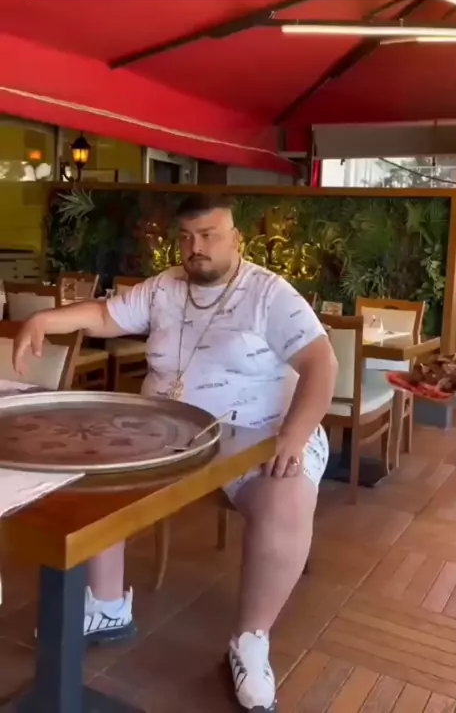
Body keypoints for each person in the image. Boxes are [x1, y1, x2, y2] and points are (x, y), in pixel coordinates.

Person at [14, 193, 338, 712]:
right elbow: (104, 315)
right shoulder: (164, 287)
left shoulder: (269, 294)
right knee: (101, 466)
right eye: (186, 238)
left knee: (287, 495)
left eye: (208, 235)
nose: (196, 247)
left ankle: (251, 641)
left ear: (236, 239)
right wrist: (44, 321)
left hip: (260, 433)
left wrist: (295, 436)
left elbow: (322, 364)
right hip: (170, 435)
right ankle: (107, 604)